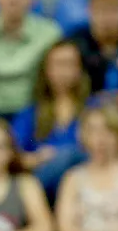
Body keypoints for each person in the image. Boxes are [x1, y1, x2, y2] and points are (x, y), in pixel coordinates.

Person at [24, 40, 90, 192]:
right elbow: (14, 156)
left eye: (70, 64)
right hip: (46, 183)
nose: (64, 71)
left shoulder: (94, 109)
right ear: (47, 70)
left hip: (86, 184)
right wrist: (37, 158)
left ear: (79, 69)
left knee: (69, 156)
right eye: (58, 64)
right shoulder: (31, 112)